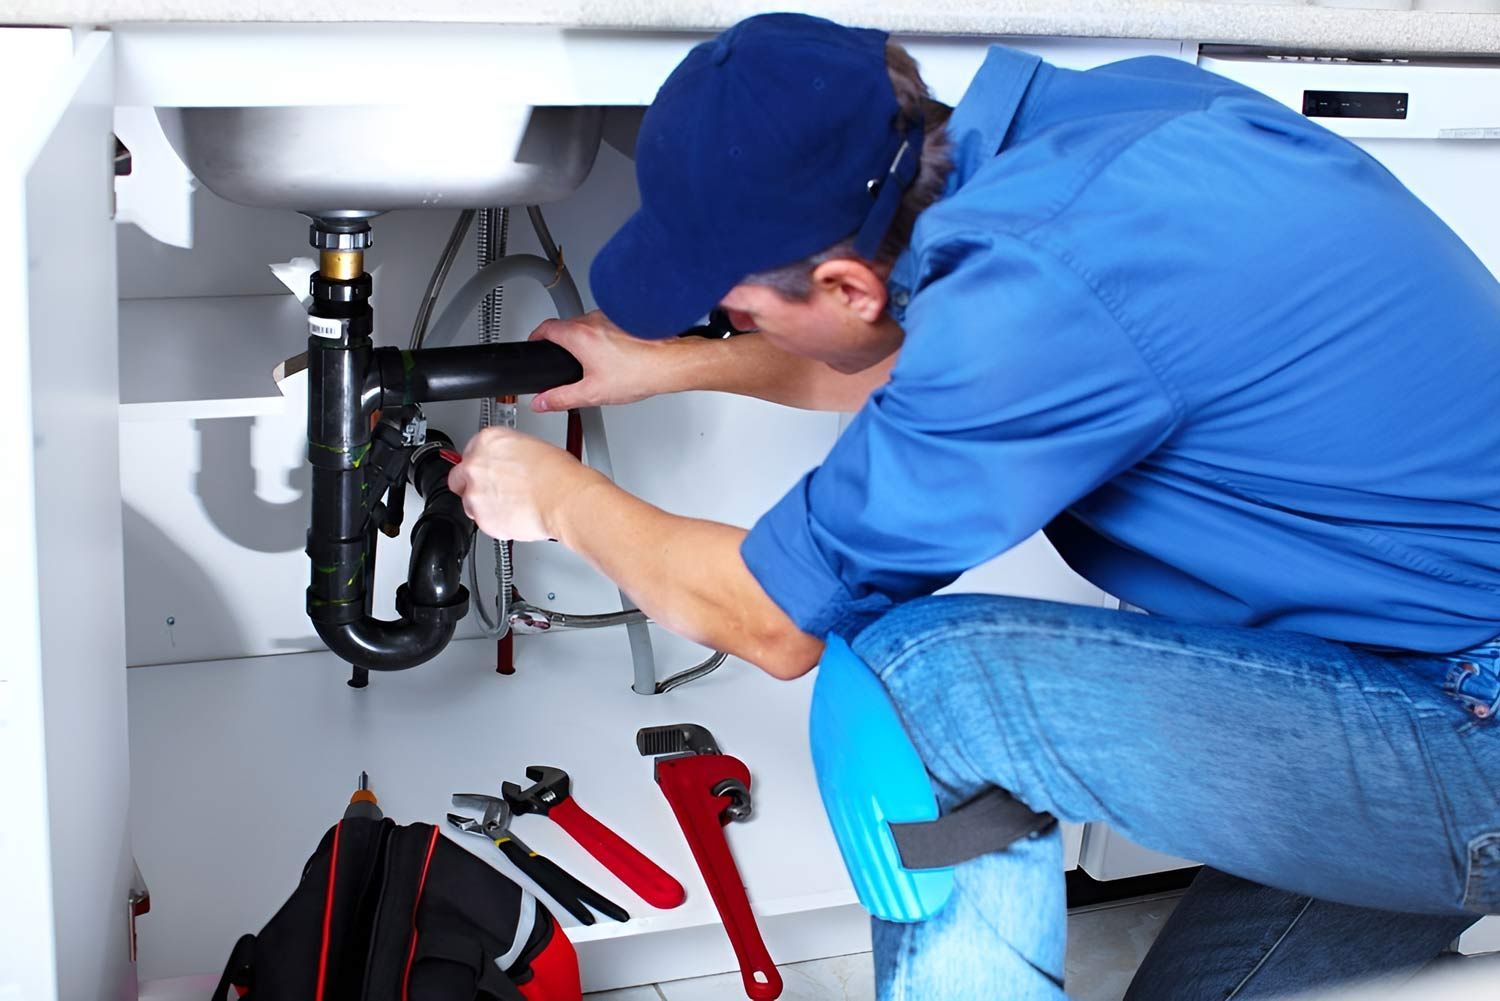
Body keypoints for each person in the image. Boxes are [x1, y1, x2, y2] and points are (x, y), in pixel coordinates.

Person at [446, 12, 1500, 999]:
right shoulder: (1105, 130)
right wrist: (654, 366)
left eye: (734, 312)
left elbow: (769, 621)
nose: (723, 325)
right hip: (1394, 676)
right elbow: (917, 353)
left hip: (1467, 723)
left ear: (849, 283)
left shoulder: (1037, 295)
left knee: (927, 686)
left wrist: (558, 498)